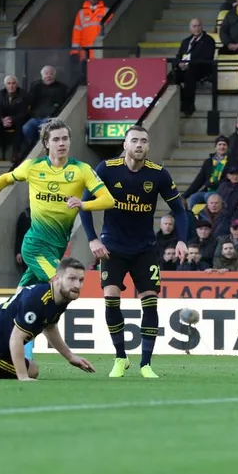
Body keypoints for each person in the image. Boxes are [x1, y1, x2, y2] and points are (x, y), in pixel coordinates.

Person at [0, 118, 114, 357]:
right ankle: (32, 354)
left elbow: (108, 200)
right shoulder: (33, 167)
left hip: (56, 249)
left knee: (18, 304)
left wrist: (83, 203)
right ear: (46, 143)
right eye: (56, 139)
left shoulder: (81, 170)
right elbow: (5, 179)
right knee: (58, 289)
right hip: (34, 246)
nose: (62, 143)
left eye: (65, 139)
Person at [79, 126, 190, 379]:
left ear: (148, 146)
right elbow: (84, 205)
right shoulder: (107, 169)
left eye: (144, 141)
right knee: (111, 298)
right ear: (125, 144)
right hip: (112, 248)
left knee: (150, 302)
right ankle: (120, 357)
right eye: (134, 140)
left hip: (144, 249)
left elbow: (180, 211)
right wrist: (92, 240)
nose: (139, 145)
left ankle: (146, 364)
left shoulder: (158, 174)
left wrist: (182, 240)